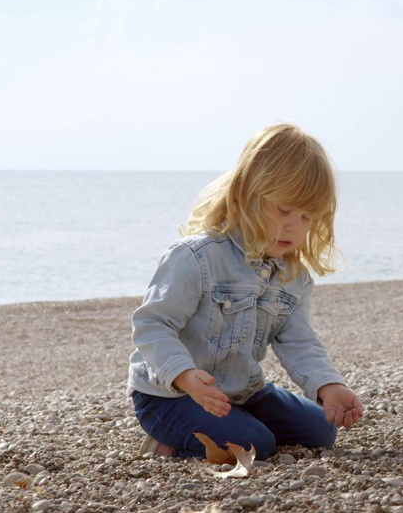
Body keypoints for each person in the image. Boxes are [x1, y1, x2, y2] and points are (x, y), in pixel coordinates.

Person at [128, 123, 364, 459]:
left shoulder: (293, 276)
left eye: (307, 217)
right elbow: (153, 324)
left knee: (320, 430)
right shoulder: (196, 257)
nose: (294, 227)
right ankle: (167, 444)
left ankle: (238, 423)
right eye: (283, 210)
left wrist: (329, 385)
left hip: (241, 392)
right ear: (245, 194)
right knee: (257, 445)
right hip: (172, 395)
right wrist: (184, 375)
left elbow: (298, 341)